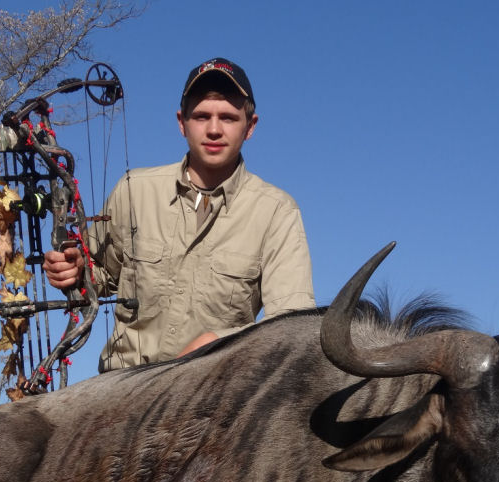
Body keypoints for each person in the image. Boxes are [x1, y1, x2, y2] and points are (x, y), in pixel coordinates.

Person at [44, 57, 315, 372]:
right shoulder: (134, 190)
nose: (214, 129)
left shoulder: (277, 211)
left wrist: (220, 342)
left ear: (250, 127)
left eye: (228, 118)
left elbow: (292, 326)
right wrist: (73, 272)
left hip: (211, 395)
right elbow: (99, 276)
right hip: (121, 391)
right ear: (181, 122)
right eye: (201, 116)